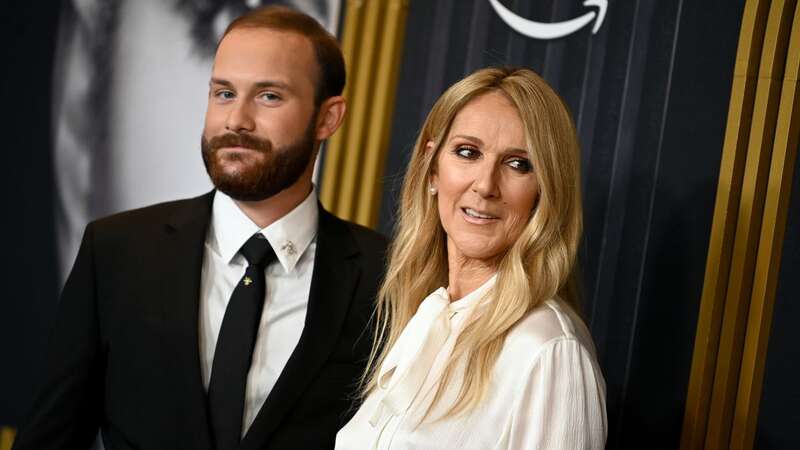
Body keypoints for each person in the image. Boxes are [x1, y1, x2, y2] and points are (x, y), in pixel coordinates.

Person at [13, 6, 386, 450]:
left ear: (328, 118)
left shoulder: (386, 278)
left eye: (268, 96)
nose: (236, 121)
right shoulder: (116, 252)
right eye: (224, 94)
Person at [336, 67, 606, 449]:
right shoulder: (427, 317)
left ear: (546, 191)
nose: (484, 185)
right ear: (432, 168)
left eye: (518, 164)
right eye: (468, 152)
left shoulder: (548, 351)